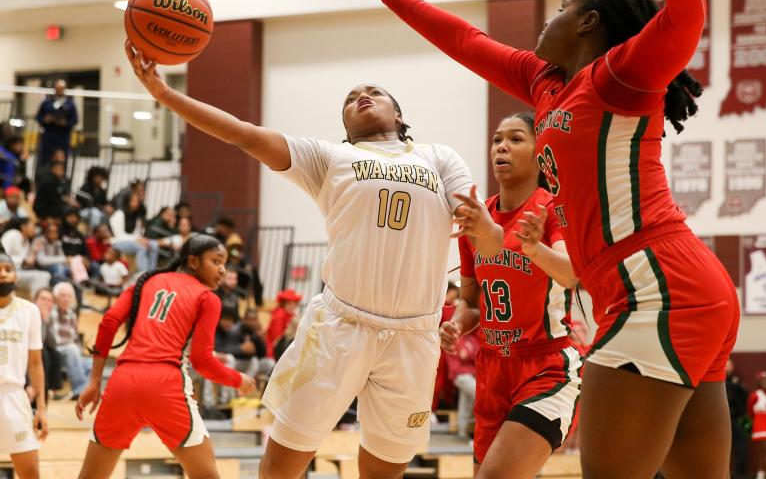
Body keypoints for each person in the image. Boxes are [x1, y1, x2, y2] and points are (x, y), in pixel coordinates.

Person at [324, 0, 739, 478]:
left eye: (563, 7)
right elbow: (464, 40)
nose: (549, 18)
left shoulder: (621, 75)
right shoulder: (544, 82)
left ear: (588, 23)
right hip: (678, 287)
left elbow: (683, 25)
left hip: (654, 285)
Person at [123, 40, 504, 479]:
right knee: (281, 466)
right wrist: (166, 95)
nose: (361, 95)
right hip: (339, 328)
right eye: (350, 97)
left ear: (398, 116)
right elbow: (243, 133)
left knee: (386, 471)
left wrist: (479, 224)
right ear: (344, 124)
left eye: (374, 92)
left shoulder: (438, 156)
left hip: (414, 335)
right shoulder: (329, 157)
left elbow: (480, 225)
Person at [441, 112, 581, 477]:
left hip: (546, 366)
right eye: (497, 139)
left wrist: (535, 249)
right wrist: (457, 324)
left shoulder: (552, 208)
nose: (502, 146)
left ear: (540, 152)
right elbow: (472, 302)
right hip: (492, 368)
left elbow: (570, 274)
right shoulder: (478, 218)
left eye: (516, 139)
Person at [74, 234, 256, 479]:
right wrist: (238, 380)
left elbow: (108, 322)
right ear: (193, 261)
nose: (222, 270)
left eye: (225, 264)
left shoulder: (146, 281)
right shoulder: (207, 298)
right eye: (216, 261)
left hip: (122, 383)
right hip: (165, 385)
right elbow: (202, 362)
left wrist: (95, 381)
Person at [0, 254, 48, 479]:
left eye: (7, 269)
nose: (2, 273)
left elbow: (36, 364)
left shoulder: (29, 311)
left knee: (31, 473)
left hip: (13, 396)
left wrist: (42, 409)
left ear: (16, 276)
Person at [51, 282, 92, 398]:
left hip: (72, 352)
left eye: (69, 296)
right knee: (72, 349)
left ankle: (86, 390)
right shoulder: (51, 312)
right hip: (56, 351)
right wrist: (73, 348)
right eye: (63, 295)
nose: (66, 299)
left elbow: (76, 340)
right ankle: (80, 390)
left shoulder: (72, 315)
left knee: (92, 363)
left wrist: (78, 352)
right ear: (56, 297)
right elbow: (54, 341)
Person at [109, 192, 159, 272]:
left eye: (137, 201)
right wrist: (137, 240)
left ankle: (152, 271)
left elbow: (137, 234)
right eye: (133, 201)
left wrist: (142, 239)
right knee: (141, 247)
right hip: (118, 242)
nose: (136, 204)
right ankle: (143, 272)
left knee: (154, 245)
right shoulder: (119, 214)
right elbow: (119, 235)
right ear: (127, 202)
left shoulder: (137, 217)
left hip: (132, 241)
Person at [1, 217, 51, 297]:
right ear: (23, 227)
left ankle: (38, 304)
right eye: (32, 226)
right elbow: (2, 255)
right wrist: (23, 260)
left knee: (45, 275)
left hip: (18, 272)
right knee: (42, 276)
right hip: (4, 272)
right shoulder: (13, 234)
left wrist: (33, 252)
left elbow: (24, 264)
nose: (35, 229)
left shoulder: (27, 242)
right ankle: (39, 304)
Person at [35, 79, 78, 168]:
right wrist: (45, 120)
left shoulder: (70, 104)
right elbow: (38, 117)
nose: (59, 90)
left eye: (62, 88)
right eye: (58, 88)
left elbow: (75, 120)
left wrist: (65, 123)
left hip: (63, 137)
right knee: (45, 160)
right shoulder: (46, 103)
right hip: (48, 136)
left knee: (61, 160)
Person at [32, 288, 65, 400]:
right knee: (44, 354)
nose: (46, 302)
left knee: (55, 354)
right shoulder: (28, 314)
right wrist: (44, 322)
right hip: (25, 349)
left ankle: (51, 388)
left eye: (49, 300)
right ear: (34, 300)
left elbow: (53, 343)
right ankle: (41, 390)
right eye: (43, 299)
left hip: (39, 349)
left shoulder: (49, 317)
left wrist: (45, 321)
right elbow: (39, 340)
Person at [726, 359, 749, 479]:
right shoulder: (717, 384)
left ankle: (740, 473)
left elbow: (745, 398)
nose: (728, 366)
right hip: (723, 420)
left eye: (729, 364)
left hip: (736, 418)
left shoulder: (737, 382)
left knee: (741, 445)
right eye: (726, 364)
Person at [265, 289, 301, 360]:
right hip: (275, 350)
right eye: (289, 303)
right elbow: (277, 337)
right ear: (284, 304)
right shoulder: (280, 315)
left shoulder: (291, 315)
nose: (292, 306)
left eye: (293, 303)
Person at [31, 221, 71, 285]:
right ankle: (60, 287)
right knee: (59, 268)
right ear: (45, 232)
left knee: (68, 267)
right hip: (40, 268)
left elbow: (63, 259)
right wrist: (63, 259)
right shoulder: (39, 241)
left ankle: (81, 284)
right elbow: (41, 261)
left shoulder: (57, 243)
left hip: (54, 268)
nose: (53, 234)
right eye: (50, 231)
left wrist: (67, 261)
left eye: (55, 232)